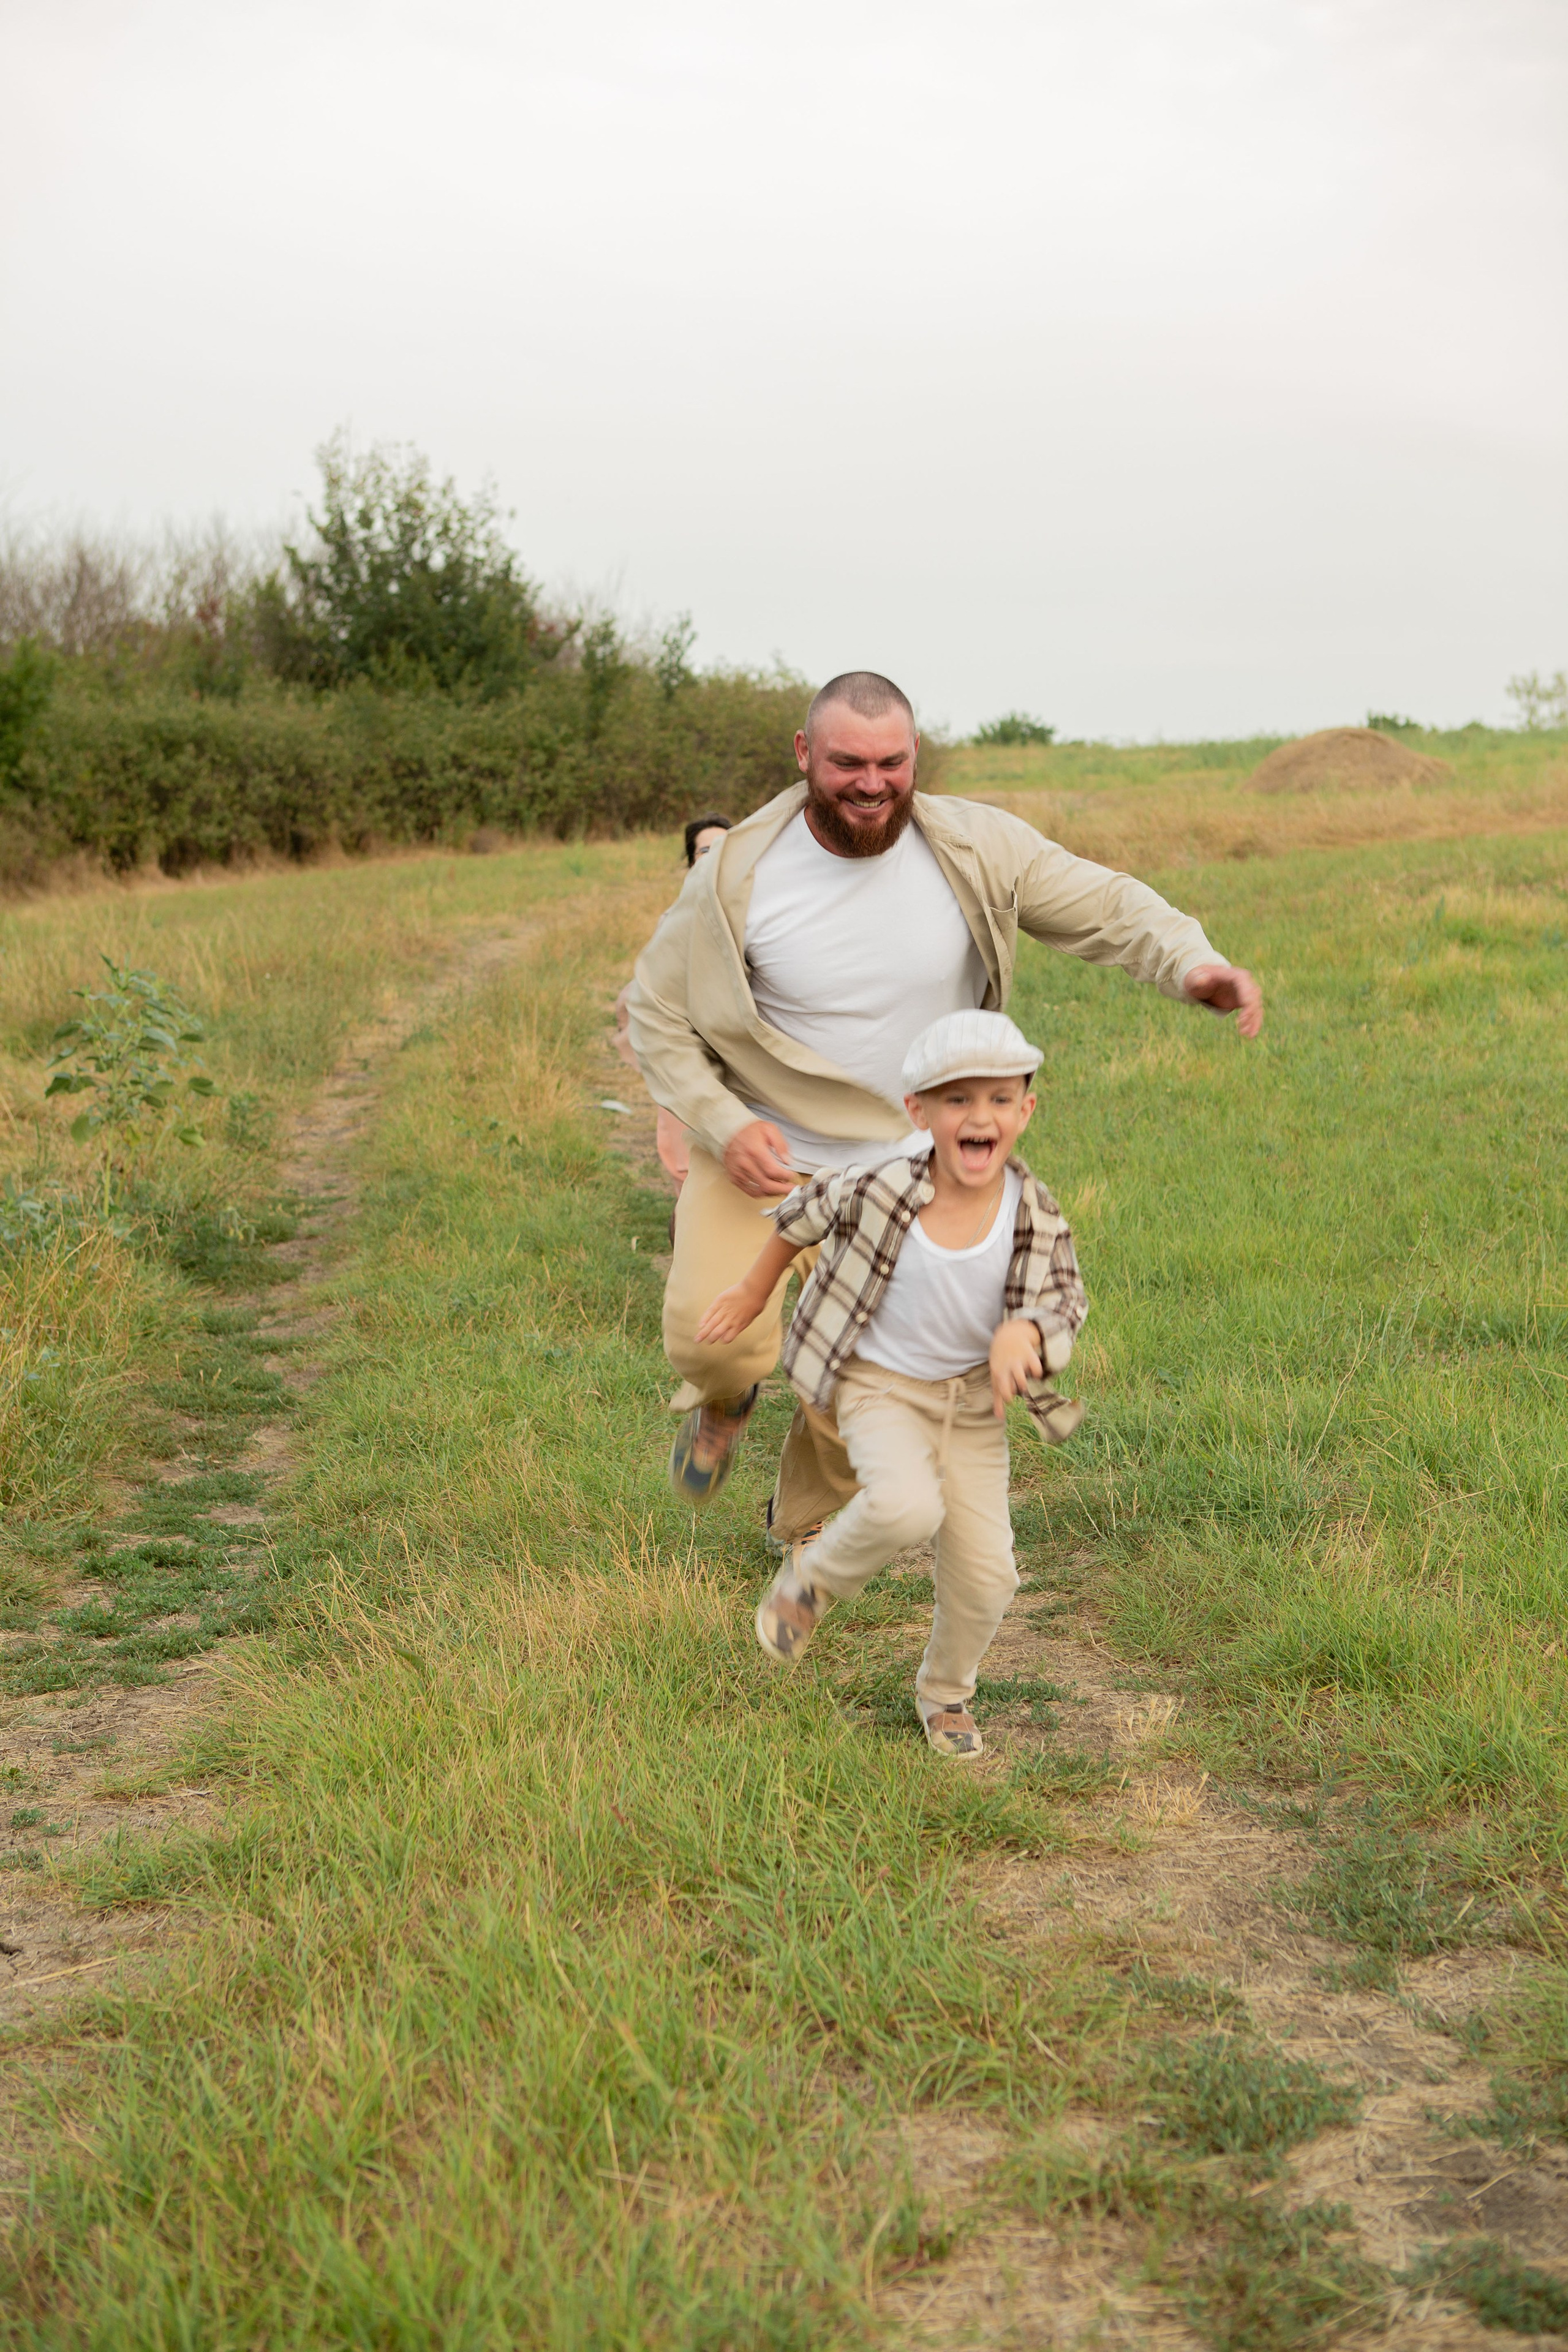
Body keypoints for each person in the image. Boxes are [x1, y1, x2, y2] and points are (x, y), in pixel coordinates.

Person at [625, 670, 1261, 1523]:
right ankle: (725, 1397)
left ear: (915, 754)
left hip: (912, 1176)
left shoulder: (976, 848)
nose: (872, 782)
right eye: (848, 761)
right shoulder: (736, 872)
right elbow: (656, 1010)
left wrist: (1191, 963)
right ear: (805, 754)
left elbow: (1104, 903)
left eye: (892, 761)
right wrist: (720, 1121)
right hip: (765, 1161)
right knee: (715, 1345)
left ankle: (807, 1539)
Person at [696, 1009, 1084, 1758]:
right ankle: (812, 1583)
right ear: (919, 1112)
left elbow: (1063, 1299)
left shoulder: (1032, 1211)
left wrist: (1025, 1334)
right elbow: (801, 1214)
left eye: (1000, 1099)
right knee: (904, 1506)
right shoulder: (880, 1184)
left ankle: (945, 1695)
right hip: (878, 1385)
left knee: (991, 1573)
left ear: (1026, 1110)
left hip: (971, 1405)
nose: (980, 1117)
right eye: (958, 1100)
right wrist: (753, 1291)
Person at [614, 813, 733, 1187]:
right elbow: (654, 985)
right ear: (691, 860)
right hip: (692, 1045)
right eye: (704, 850)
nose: (714, 856)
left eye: (723, 847)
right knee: (689, 1157)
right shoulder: (677, 917)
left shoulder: (757, 910)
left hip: (739, 1051)